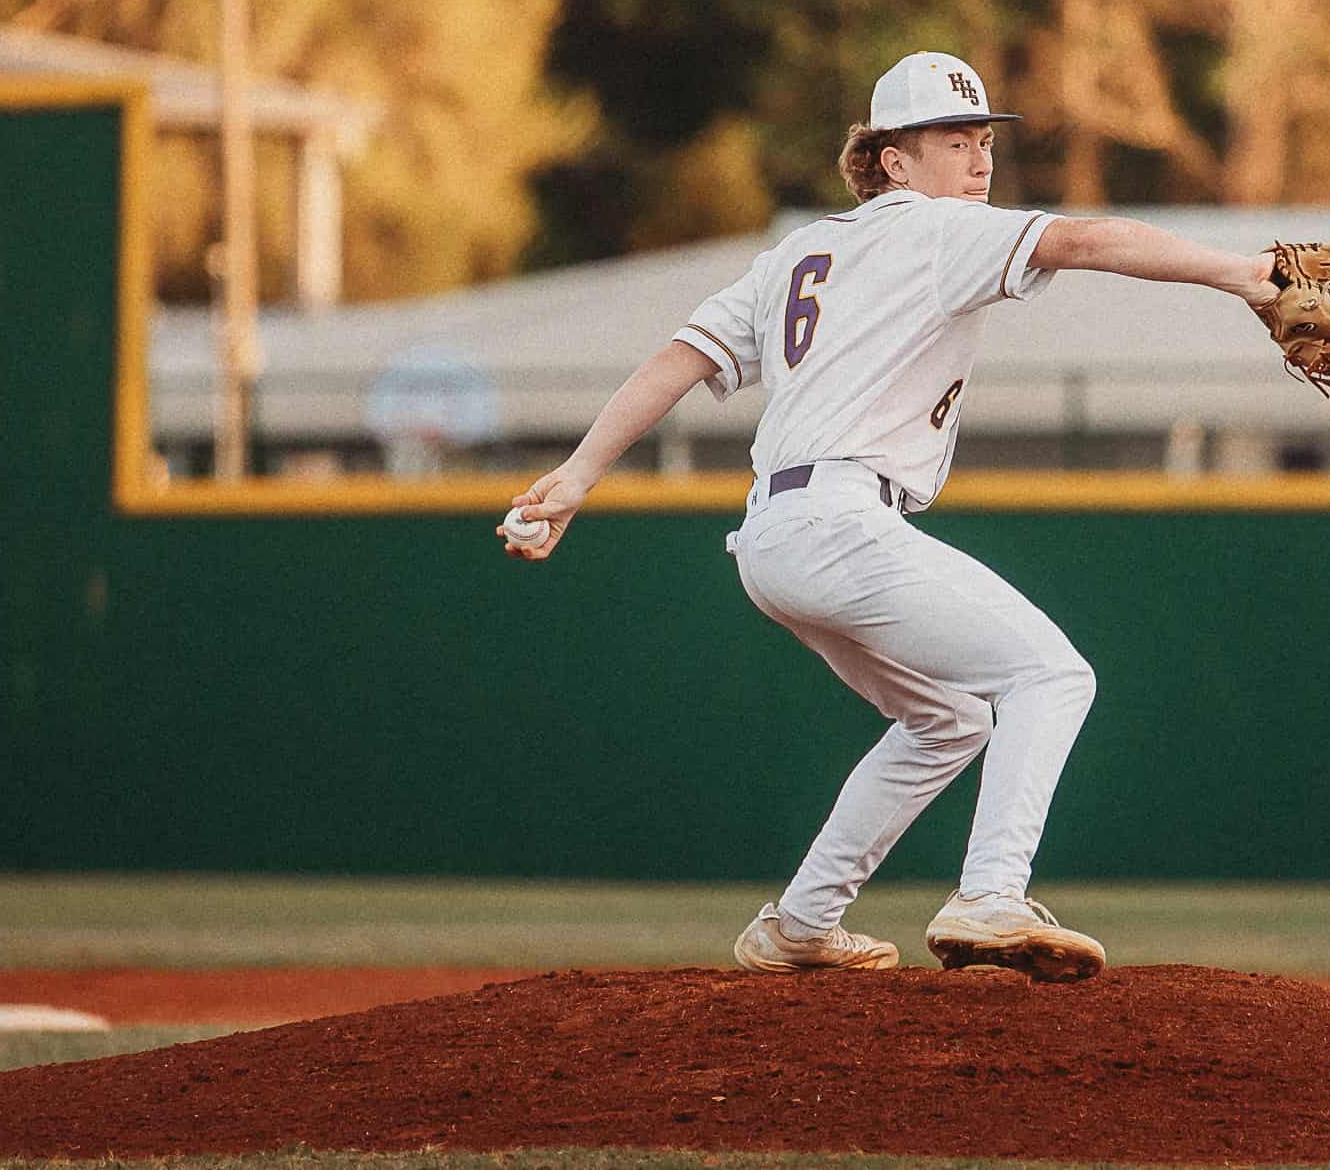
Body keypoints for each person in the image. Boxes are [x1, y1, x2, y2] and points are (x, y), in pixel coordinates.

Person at [500, 51, 1278, 983]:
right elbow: (1088, 239)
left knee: (948, 720)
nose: (978, 159)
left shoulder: (796, 252)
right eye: (954, 140)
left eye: (983, 139)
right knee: (1051, 675)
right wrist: (1246, 275)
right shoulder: (940, 231)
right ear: (892, 162)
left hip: (775, 540)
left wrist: (580, 472)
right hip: (839, 520)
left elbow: (681, 355)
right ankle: (990, 892)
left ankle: (800, 922)